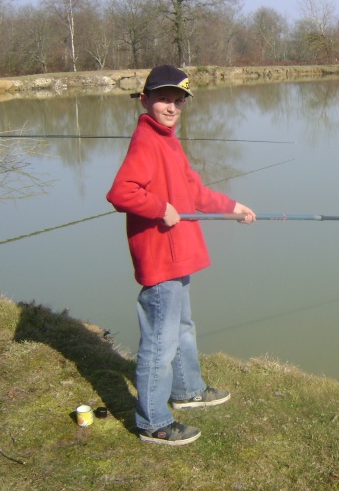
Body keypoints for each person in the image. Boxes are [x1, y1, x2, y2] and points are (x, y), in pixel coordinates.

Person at [107, 64, 256, 446]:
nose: (172, 107)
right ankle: (153, 422)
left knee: (183, 328)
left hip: (178, 258)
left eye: (178, 101)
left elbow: (194, 191)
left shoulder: (168, 139)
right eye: (163, 99)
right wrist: (159, 207)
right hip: (160, 262)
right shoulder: (146, 140)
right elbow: (121, 192)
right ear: (145, 100)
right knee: (160, 341)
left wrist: (233, 206)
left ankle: (188, 390)